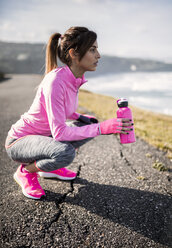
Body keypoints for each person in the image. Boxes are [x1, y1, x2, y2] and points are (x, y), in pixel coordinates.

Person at [5, 26, 133, 200]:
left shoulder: (74, 78)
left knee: (90, 123)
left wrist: (84, 119)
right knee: (65, 152)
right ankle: (26, 171)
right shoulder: (56, 82)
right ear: (73, 53)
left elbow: (67, 111)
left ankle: (49, 166)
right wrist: (101, 128)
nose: (98, 55)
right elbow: (60, 133)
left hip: (44, 137)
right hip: (19, 142)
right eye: (92, 49)